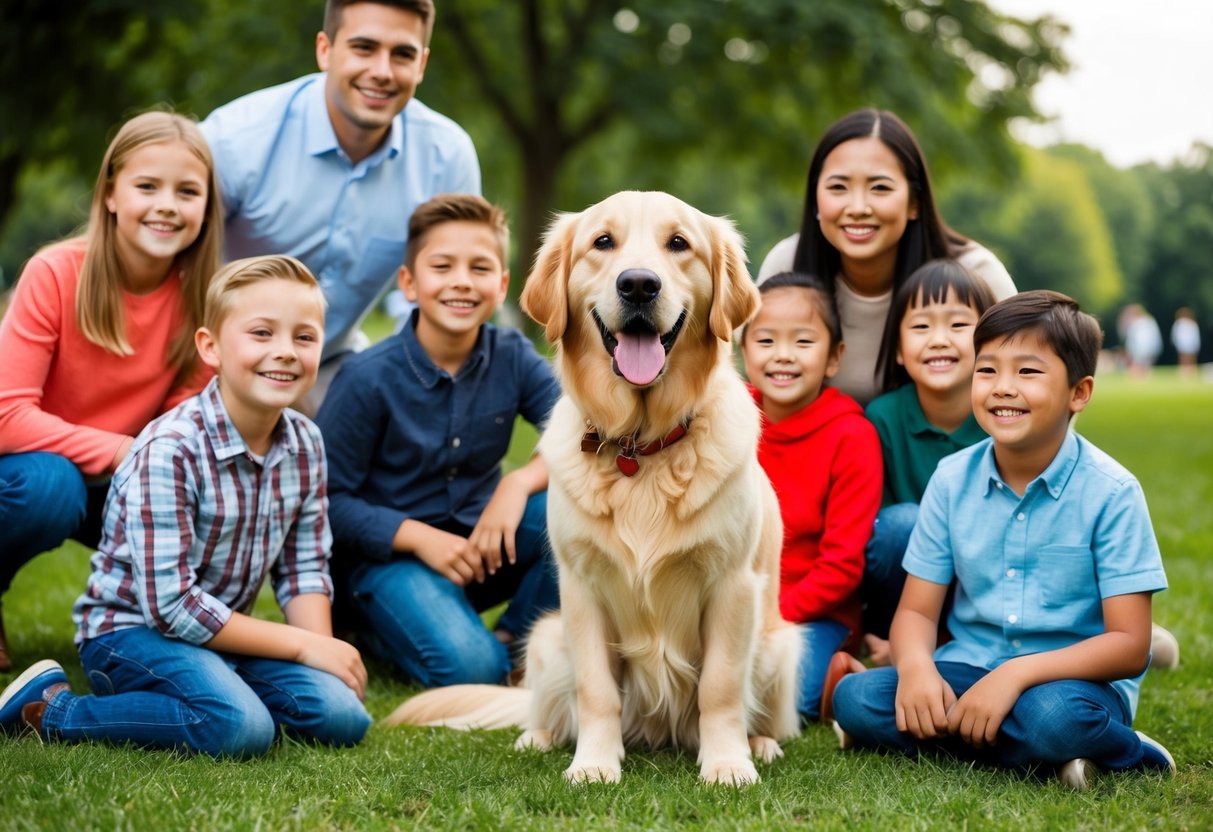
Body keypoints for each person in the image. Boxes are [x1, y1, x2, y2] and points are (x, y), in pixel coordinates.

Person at [0, 255, 372, 756]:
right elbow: (172, 608)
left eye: (303, 338)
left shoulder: (306, 442)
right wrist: (301, 646)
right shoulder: (170, 448)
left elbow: (303, 566)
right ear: (211, 347)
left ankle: (209, 689)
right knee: (239, 728)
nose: (284, 352)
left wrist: (324, 651)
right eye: (261, 334)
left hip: (225, 634)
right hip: (131, 633)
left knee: (343, 715)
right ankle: (50, 710)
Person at [831, 290, 1175, 790]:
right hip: (968, 669)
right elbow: (917, 614)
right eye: (987, 370)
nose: (1002, 388)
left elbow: (1129, 645)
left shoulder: (1113, 493)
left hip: (1071, 686)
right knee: (857, 698)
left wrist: (1014, 676)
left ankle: (1131, 750)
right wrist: (916, 669)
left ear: (1079, 393)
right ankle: (1050, 756)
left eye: (1028, 372)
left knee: (1054, 719)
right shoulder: (951, 480)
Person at [0, 111, 221, 672]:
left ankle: (158, 631)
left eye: (187, 191)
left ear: (207, 206)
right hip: (33, 473)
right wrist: (125, 451)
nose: (167, 204)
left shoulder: (201, 302)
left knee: (207, 499)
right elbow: (7, 415)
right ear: (111, 194)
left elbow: (182, 419)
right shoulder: (55, 273)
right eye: (147, 186)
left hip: (122, 482)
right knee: (53, 486)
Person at [315, 194, 560, 687]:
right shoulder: (366, 378)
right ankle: (378, 634)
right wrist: (418, 537)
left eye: (480, 267)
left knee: (579, 503)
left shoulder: (511, 354)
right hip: (391, 562)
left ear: (502, 284)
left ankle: (515, 639)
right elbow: (325, 499)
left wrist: (517, 486)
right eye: (442, 266)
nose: (462, 281)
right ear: (409, 283)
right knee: (472, 670)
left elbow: (581, 427)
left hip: (482, 546)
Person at [199, 0, 481, 410]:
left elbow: (441, 295)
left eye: (401, 54)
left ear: (421, 64)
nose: (382, 72)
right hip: (211, 361)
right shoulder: (235, 140)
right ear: (325, 50)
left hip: (332, 367)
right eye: (364, 47)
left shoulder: (447, 158)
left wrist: (418, 394)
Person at [757, 108, 1016, 405]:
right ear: (816, 198)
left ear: (914, 202)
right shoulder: (787, 265)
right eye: (838, 187)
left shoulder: (975, 273)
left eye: (880, 188)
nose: (857, 207)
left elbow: (1030, 385)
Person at [740, 271, 882, 723]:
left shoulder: (851, 435)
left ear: (834, 357)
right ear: (743, 351)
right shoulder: (724, 418)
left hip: (812, 612)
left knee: (784, 702)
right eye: (765, 341)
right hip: (726, 601)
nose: (783, 356)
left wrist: (770, 616)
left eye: (803, 342)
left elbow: (841, 567)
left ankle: (840, 671)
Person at [859, 259, 996, 662]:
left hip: (986, 578)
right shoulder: (883, 417)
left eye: (957, 326)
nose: (938, 340)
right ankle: (892, 639)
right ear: (899, 350)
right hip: (906, 581)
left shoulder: (1003, 417)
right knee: (903, 524)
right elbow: (876, 536)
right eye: (921, 327)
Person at [1123, 303, 1163, 378]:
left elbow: (1135, 339)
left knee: (1138, 364)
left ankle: (1138, 378)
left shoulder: (1137, 323)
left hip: (1141, 348)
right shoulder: (1150, 320)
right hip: (1150, 347)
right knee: (1145, 365)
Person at [1171, 307, 1201, 378]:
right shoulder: (1179, 323)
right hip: (1183, 344)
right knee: (1183, 358)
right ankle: (1184, 372)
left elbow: (1195, 335)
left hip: (1190, 344)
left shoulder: (1192, 324)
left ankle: (1190, 372)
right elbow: (1175, 335)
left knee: (1190, 358)